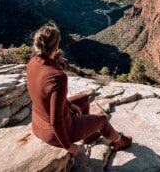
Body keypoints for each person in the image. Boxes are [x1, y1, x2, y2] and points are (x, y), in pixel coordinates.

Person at [27, 21, 132, 157]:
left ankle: (89, 135)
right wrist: (68, 146)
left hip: (37, 125)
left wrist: (69, 104)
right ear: (57, 45)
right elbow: (56, 121)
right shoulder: (58, 77)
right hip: (56, 133)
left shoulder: (32, 63)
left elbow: (46, 95)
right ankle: (120, 141)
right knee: (103, 120)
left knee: (84, 99)